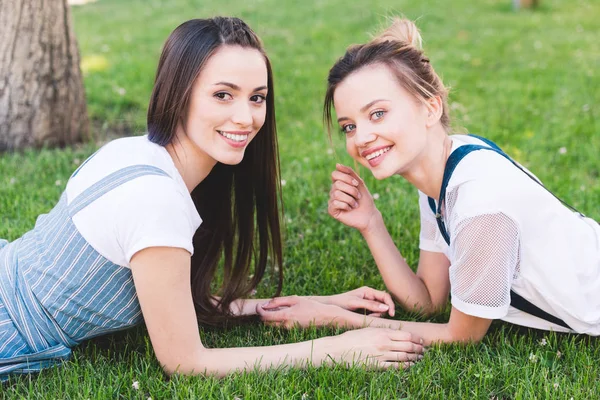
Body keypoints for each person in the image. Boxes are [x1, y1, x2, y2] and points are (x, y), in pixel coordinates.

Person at [0, 17, 425, 381]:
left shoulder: (134, 150)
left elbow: (174, 302)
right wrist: (341, 348)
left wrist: (315, 307)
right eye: (223, 95)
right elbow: (186, 361)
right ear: (180, 93)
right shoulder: (156, 200)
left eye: (256, 97)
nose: (246, 117)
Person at [259, 18, 600, 344]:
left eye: (377, 113)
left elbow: (462, 335)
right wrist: (371, 223)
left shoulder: (480, 204)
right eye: (349, 126)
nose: (361, 137)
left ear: (430, 108)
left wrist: (337, 318)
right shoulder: (445, 168)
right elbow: (428, 301)